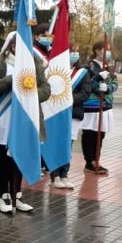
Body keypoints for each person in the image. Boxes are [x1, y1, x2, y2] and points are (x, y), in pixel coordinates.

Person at [0, 32, 50, 213]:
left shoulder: (34, 64)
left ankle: (16, 195)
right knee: (4, 158)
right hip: (2, 118)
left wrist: (31, 92)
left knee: (19, 157)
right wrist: (11, 80)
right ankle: (3, 196)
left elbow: (46, 90)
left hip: (25, 118)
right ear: (12, 46)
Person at [50, 43, 91, 188]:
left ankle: (64, 175)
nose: (75, 54)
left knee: (68, 145)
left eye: (77, 52)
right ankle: (54, 176)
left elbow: (85, 93)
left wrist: (68, 99)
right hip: (56, 113)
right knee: (56, 144)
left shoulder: (82, 73)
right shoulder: (55, 69)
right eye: (72, 51)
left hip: (73, 113)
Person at [81, 41, 117, 174]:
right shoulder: (89, 67)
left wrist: (108, 88)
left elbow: (115, 82)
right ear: (97, 51)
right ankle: (89, 161)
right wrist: (97, 83)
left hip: (105, 105)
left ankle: (96, 160)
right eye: (105, 50)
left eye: (108, 50)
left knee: (100, 134)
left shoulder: (109, 67)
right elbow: (87, 83)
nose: (107, 53)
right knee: (90, 134)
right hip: (93, 105)